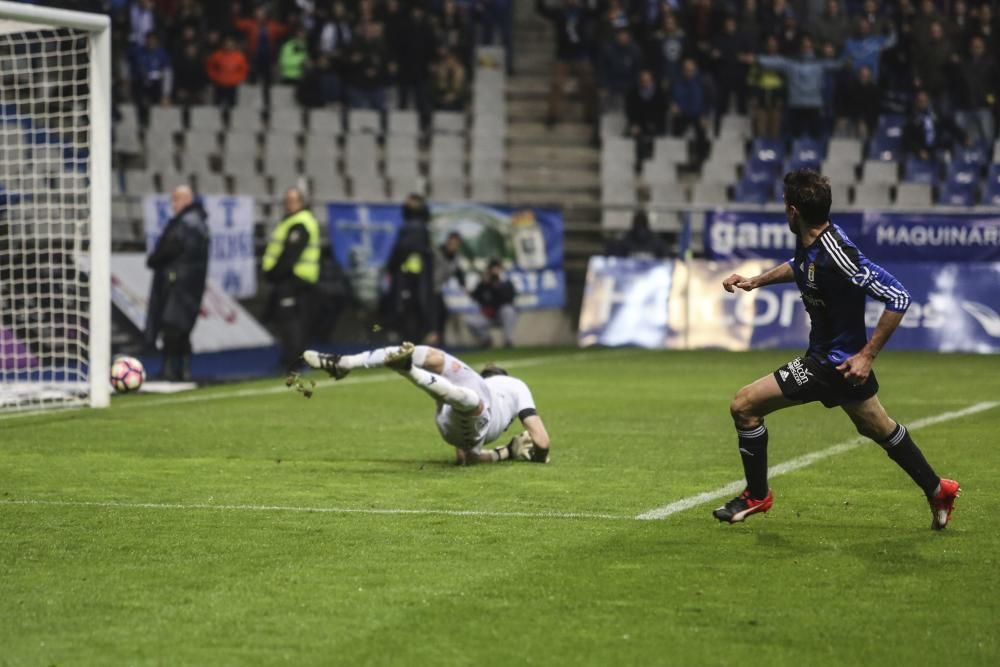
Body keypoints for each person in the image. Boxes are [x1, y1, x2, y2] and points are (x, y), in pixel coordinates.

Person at [713, 169, 960, 529]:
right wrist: (756, 281)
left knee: (744, 405)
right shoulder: (811, 240)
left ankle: (756, 494)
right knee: (878, 427)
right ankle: (939, 489)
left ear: (793, 211)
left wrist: (866, 355)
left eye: (785, 205)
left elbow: (898, 296)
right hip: (842, 367)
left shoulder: (838, 252)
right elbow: (801, 267)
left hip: (830, 364)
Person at [302, 343, 551, 466]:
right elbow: (542, 442)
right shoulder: (516, 387)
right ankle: (345, 363)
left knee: (470, 401)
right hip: (463, 410)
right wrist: (525, 454)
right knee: (431, 357)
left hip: (467, 419)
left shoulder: (507, 386)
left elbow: (465, 455)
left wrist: (508, 451)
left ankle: (406, 368)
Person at [145, 185, 210, 382]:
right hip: (190, 283)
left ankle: (171, 369)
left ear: (187, 199)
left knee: (172, 326)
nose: (173, 204)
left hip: (178, 282)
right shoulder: (198, 223)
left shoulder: (186, 224)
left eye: (177, 199)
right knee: (180, 327)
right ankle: (182, 370)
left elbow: (169, 249)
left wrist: (154, 260)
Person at [261, 187, 321, 370]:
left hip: (294, 279)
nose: (288, 204)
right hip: (295, 279)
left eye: (292, 200)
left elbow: (289, 254)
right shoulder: (294, 221)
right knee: (292, 321)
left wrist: (273, 274)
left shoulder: (299, 223)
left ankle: (294, 361)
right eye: (286, 200)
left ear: (301, 202)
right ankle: (295, 359)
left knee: (291, 323)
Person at [386, 194, 437, 343]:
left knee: (408, 311)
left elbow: (402, 250)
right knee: (419, 308)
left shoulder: (412, 227)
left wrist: (391, 267)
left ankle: (409, 340)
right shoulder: (424, 227)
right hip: (419, 277)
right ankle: (420, 337)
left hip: (409, 277)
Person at [467, 259, 517, 348]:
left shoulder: (506, 282)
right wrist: (483, 284)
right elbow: (475, 297)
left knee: (508, 310)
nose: (495, 271)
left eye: (497, 268)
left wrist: (497, 286)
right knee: (471, 321)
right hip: (488, 316)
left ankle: (508, 340)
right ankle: (486, 340)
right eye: (492, 269)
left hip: (501, 315)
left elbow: (510, 299)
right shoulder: (484, 283)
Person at [205, 35, 249, 108]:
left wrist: (238, 79)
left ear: (234, 45)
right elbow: (210, 67)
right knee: (217, 107)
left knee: (232, 107)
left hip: (232, 85)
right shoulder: (217, 55)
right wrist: (215, 77)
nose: (228, 46)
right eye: (227, 44)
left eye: (231, 44)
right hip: (219, 85)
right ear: (223, 45)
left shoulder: (239, 56)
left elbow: (244, 70)